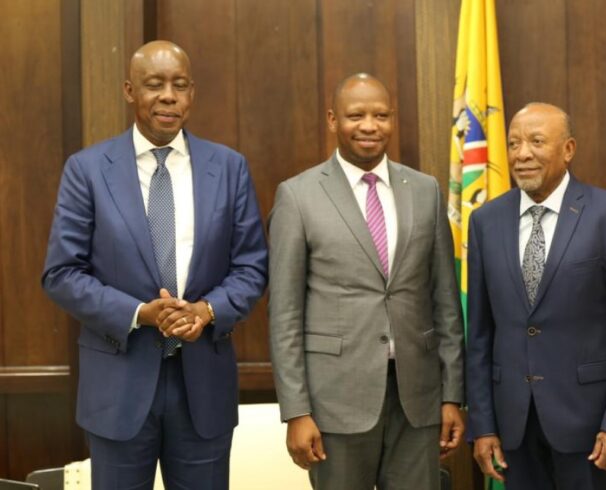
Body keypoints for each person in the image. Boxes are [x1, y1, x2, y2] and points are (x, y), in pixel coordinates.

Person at [42, 41, 268, 489]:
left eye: (179, 86)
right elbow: (61, 273)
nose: (168, 96)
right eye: (155, 85)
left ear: (191, 95)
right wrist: (138, 313)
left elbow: (252, 266)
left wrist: (206, 312)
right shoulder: (87, 170)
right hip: (118, 387)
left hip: (202, 388)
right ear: (130, 91)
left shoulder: (228, 168)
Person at [268, 73, 465, 490]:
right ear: (332, 120)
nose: (370, 125)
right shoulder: (298, 196)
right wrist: (296, 411)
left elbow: (445, 301)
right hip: (335, 402)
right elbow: (284, 314)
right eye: (356, 115)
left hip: (418, 399)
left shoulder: (425, 190)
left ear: (393, 119)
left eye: (381, 115)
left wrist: (451, 395)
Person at [466, 103, 606, 490]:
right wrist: (482, 424)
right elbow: (480, 333)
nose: (522, 154)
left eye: (536, 142)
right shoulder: (485, 221)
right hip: (513, 424)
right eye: (514, 143)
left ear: (568, 149)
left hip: (590, 425)